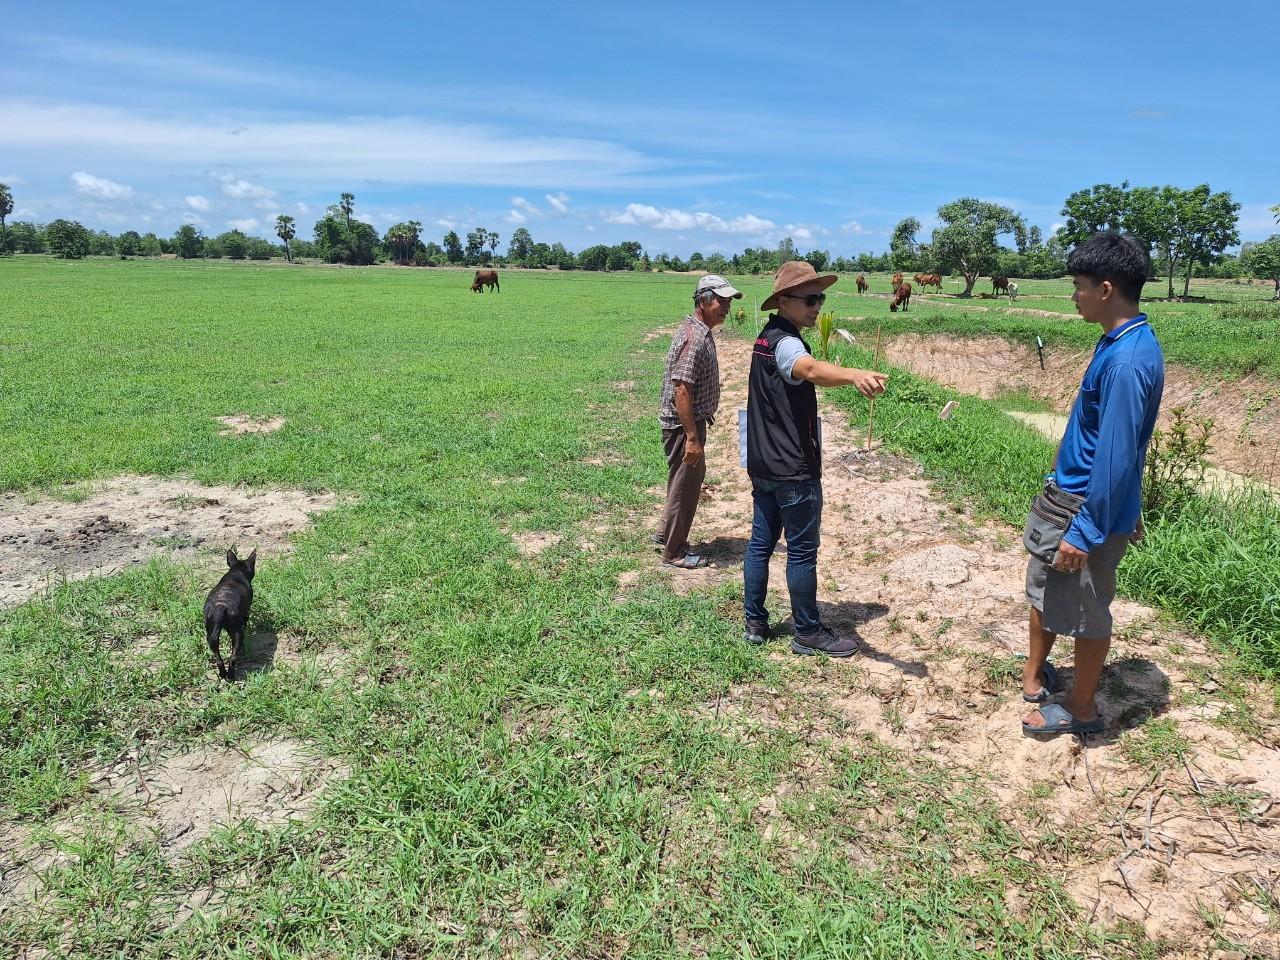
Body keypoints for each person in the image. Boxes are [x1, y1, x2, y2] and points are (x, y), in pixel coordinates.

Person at [1022, 233, 1164, 735]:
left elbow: (1117, 456)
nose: (1074, 295)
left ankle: (1081, 708)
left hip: (1086, 508)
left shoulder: (1127, 361)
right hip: (1070, 498)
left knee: (1086, 610)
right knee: (1044, 590)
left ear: (1106, 289)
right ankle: (1034, 677)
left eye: (1079, 286)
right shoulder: (1118, 343)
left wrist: (1085, 530)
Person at [743, 261, 888, 655]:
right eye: (810, 299)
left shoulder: (766, 337)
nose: (817, 306)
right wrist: (854, 374)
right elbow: (809, 368)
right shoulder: (788, 343)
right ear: (785, 301)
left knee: (761, 542)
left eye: (820, 298)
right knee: (802, 550)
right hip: (792, 465)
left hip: (762, 460)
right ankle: (807, 632)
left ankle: (755, 621)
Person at [656, 274, 742, 568]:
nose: (726, 307)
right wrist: (692, 437)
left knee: (681, 481)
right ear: (703, 300)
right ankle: (674, 551)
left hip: (688, 423)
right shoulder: (694, 338)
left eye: (729, 301)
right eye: (722, 301)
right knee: (686, 485)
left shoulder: (699, 331)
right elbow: (682, 388)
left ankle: (665, 534)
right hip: (685, 426)